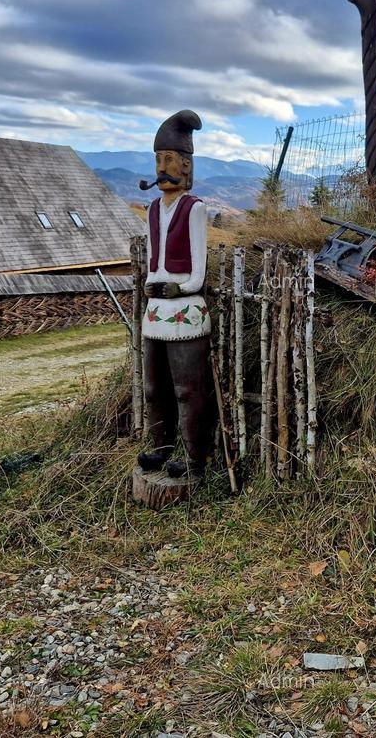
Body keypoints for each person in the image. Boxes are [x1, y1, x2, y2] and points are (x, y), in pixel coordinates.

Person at [136, 110, 213, 479]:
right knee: (154, 389)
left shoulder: (194, 209)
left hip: (184, 310)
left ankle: (196, 460)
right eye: (158, 160)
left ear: (185, 166)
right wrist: (153, 283)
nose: (162, 168)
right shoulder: (152, 209)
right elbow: (154, 262)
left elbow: (198, 272)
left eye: (169, 160)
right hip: (155, 314)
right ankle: (161, 449)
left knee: (187, 390)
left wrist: (178, 287)